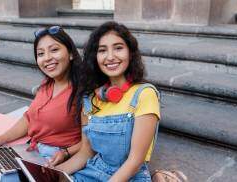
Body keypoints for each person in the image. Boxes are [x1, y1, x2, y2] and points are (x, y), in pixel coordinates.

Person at [0, 25, 82, 182]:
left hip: (54, 159)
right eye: (40, 53)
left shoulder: (82, 91)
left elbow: (92, 142)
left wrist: (66, 152)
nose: (47, 58)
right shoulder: (47, 84)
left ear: (71, 53)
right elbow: (29, 117)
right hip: (31, 150)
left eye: (54, 50)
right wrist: (1, 138)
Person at [53, 21, 161, 181]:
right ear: (95, 57)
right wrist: (53, 173)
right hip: (92, 171)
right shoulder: (89, 99)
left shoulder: (144, 94)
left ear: (130, 53)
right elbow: (86, 152)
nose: (110, 57)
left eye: (118, 48)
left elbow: (135, 161)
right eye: (102, 50)